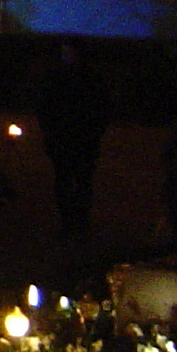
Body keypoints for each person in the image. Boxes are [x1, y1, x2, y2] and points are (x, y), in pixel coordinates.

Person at [34, 40, 111, 238]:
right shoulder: (56, 79)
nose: (67, 57)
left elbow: (101, 107)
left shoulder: (87, 80)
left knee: (81, 180)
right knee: (65, 180)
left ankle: (79, 221)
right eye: (65, 53)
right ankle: (69, 222)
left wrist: (94, 130)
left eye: (70, 53)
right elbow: (44, 107)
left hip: (82, 138)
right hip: (64, 138)